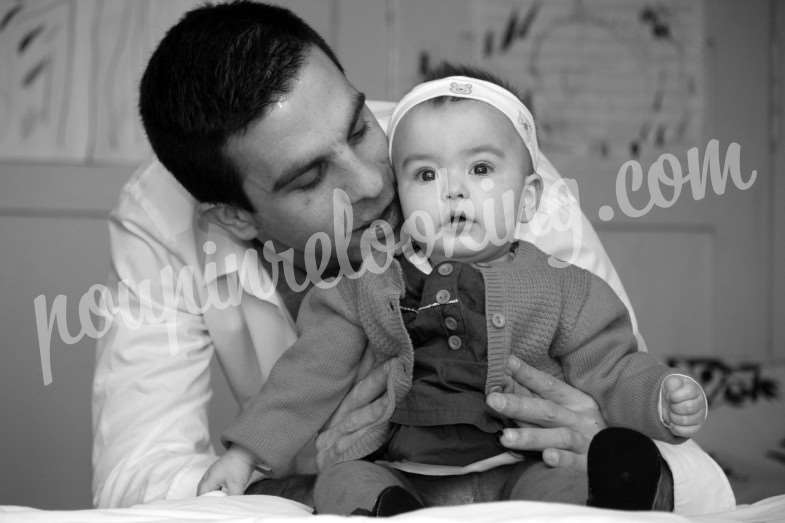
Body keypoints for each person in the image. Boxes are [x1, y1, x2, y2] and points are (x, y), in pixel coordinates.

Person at [92, 0, 734, 514]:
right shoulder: (160, 217)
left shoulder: (482, 158)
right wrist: (313, 472)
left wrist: (601, 433)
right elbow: (135, 479)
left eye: (358, 127)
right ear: (232, 215)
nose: (374, 182)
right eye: (310, 177)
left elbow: (634, 393)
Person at [196, 69, 709, 515]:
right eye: (425, 173)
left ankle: (620, 495)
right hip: (406, 473)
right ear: (400, 191)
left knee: (566, 484)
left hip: (517, 467)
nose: (453, 189)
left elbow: (611, 365)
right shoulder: (364, 285)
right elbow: (309, 371)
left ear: (528, 198)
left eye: (480, 169)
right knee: (342, 481)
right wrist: (247, 453)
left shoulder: (566, 287)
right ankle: (387, 513)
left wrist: (661, 397)